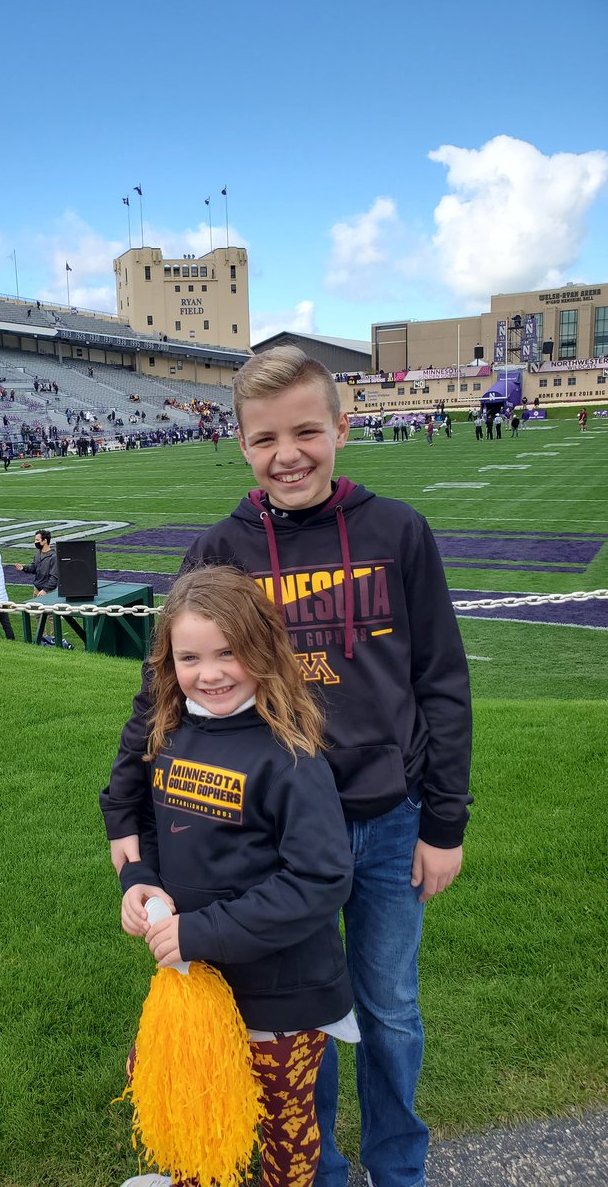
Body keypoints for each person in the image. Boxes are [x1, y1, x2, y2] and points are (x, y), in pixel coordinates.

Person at [102, 347, 472, 1187]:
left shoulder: (397, 532)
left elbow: (442, 683)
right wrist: (124, 809)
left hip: (383, 819)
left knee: (389, 1008)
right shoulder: (221, 547)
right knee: (308, 1017)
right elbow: (161, 688)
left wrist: (443, 820)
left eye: (308, 431)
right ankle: (322, 1170)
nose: (289, 453)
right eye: (267, 438)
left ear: (342, 429)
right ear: (242, 445)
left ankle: (399, 1167)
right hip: (266, 836)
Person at [116, 565, 355, 1187]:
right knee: (196, 1108)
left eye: (229, 652)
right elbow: (146, 821)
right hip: (197, 988)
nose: (211, 672)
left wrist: (202, 932)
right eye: (189, 657)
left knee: (283, 1126)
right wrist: (139, 879)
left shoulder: (291, 755)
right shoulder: (169, 733)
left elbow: (320, 879)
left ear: (263, 650)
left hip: (283, 995)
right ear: (168, 662)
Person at [14, 529, 62, 644]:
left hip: (48, 592)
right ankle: (43, 638)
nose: (35, 542)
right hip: (37, 589)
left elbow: (54, 577)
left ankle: (55, 639)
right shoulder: (38, 554)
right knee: (38, 614)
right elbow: (35, 568)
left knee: (51, 616)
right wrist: (24, 568)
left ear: (45, 541)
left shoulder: (53, 557)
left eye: (37, 540)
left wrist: (45, 590)